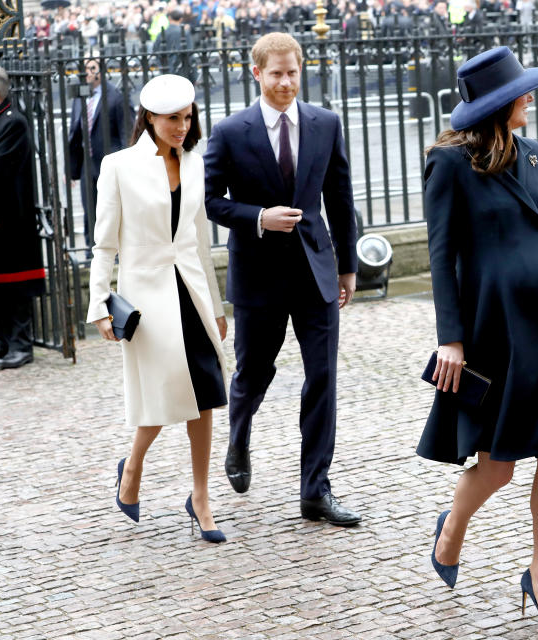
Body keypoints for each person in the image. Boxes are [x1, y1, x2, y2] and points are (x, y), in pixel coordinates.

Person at [419, 46, 538, 628]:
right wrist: (451, 339)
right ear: (500, 103)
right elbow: (441, 254)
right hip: (490, 333)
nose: (531, 98)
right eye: (523, 92)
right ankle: (452, 526)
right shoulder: (450, 164)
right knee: (497, 466)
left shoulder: (532, 154)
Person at [204, 33, 362, 527]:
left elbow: (340, 198)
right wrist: (258, 217)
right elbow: (209, 200)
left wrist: (348, 266)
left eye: (292, 72)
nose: (285, 82)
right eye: (275, 73)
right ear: (256, 73)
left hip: (315, 272)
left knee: (323, 379)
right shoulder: (230, 131)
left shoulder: (326, 123)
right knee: (254, 374)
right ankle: (239, 436)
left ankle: (315, 490)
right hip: (257, 275)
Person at [87, 75, 228, 543]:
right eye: (173, 119)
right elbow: (103, 243)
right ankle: (133, 466)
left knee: (205, 394)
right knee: (164, 394)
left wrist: (217, 303)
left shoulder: (194, 163)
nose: (182, 127)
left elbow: (198, 241)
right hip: (146, 300)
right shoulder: (119, 166)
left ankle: (201, 498)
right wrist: (99, 305)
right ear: (149, 118)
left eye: (188, 118)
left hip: (191, 295)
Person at [0, 66, 45, 371]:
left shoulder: (13, 123)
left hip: (12, 220)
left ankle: (21, 344)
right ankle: (2, 341)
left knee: (15, 289)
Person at [67, 58, 134, 258]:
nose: (87, 72)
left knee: (111, 213)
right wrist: (72, 170)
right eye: (85, 68)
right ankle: (91, 253)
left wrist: (126, 168)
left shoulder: (116, 96)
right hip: (88, 166)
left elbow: (126, 135)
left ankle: (114, 254)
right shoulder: (80, 96)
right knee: (90, 212)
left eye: (92, 68)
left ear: (101, 71)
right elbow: (75, 135)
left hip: (110, 166)